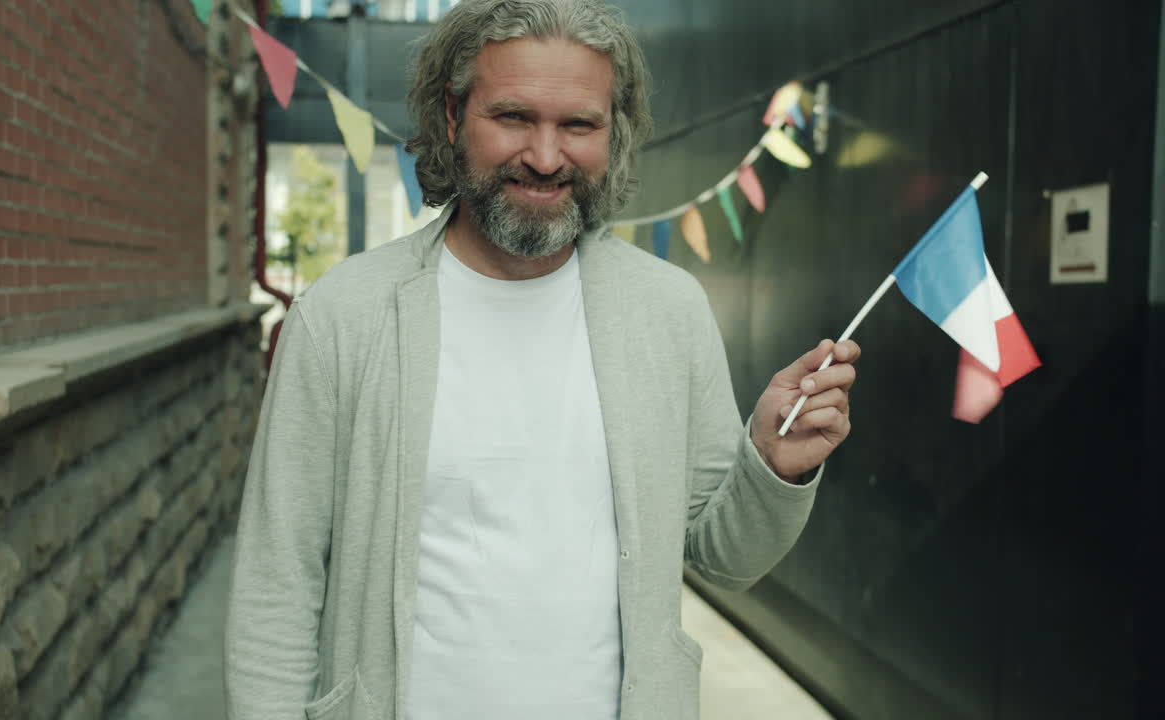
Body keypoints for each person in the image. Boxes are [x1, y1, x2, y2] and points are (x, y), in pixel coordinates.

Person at [224, 1, 860, 718]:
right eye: (514, 117)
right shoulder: (344, 317)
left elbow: (720, 557)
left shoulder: (668, 312)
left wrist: (772, 466)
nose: (547, 156)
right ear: (452, 113)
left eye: (578, 125)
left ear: (613, 131)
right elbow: (276, 591)